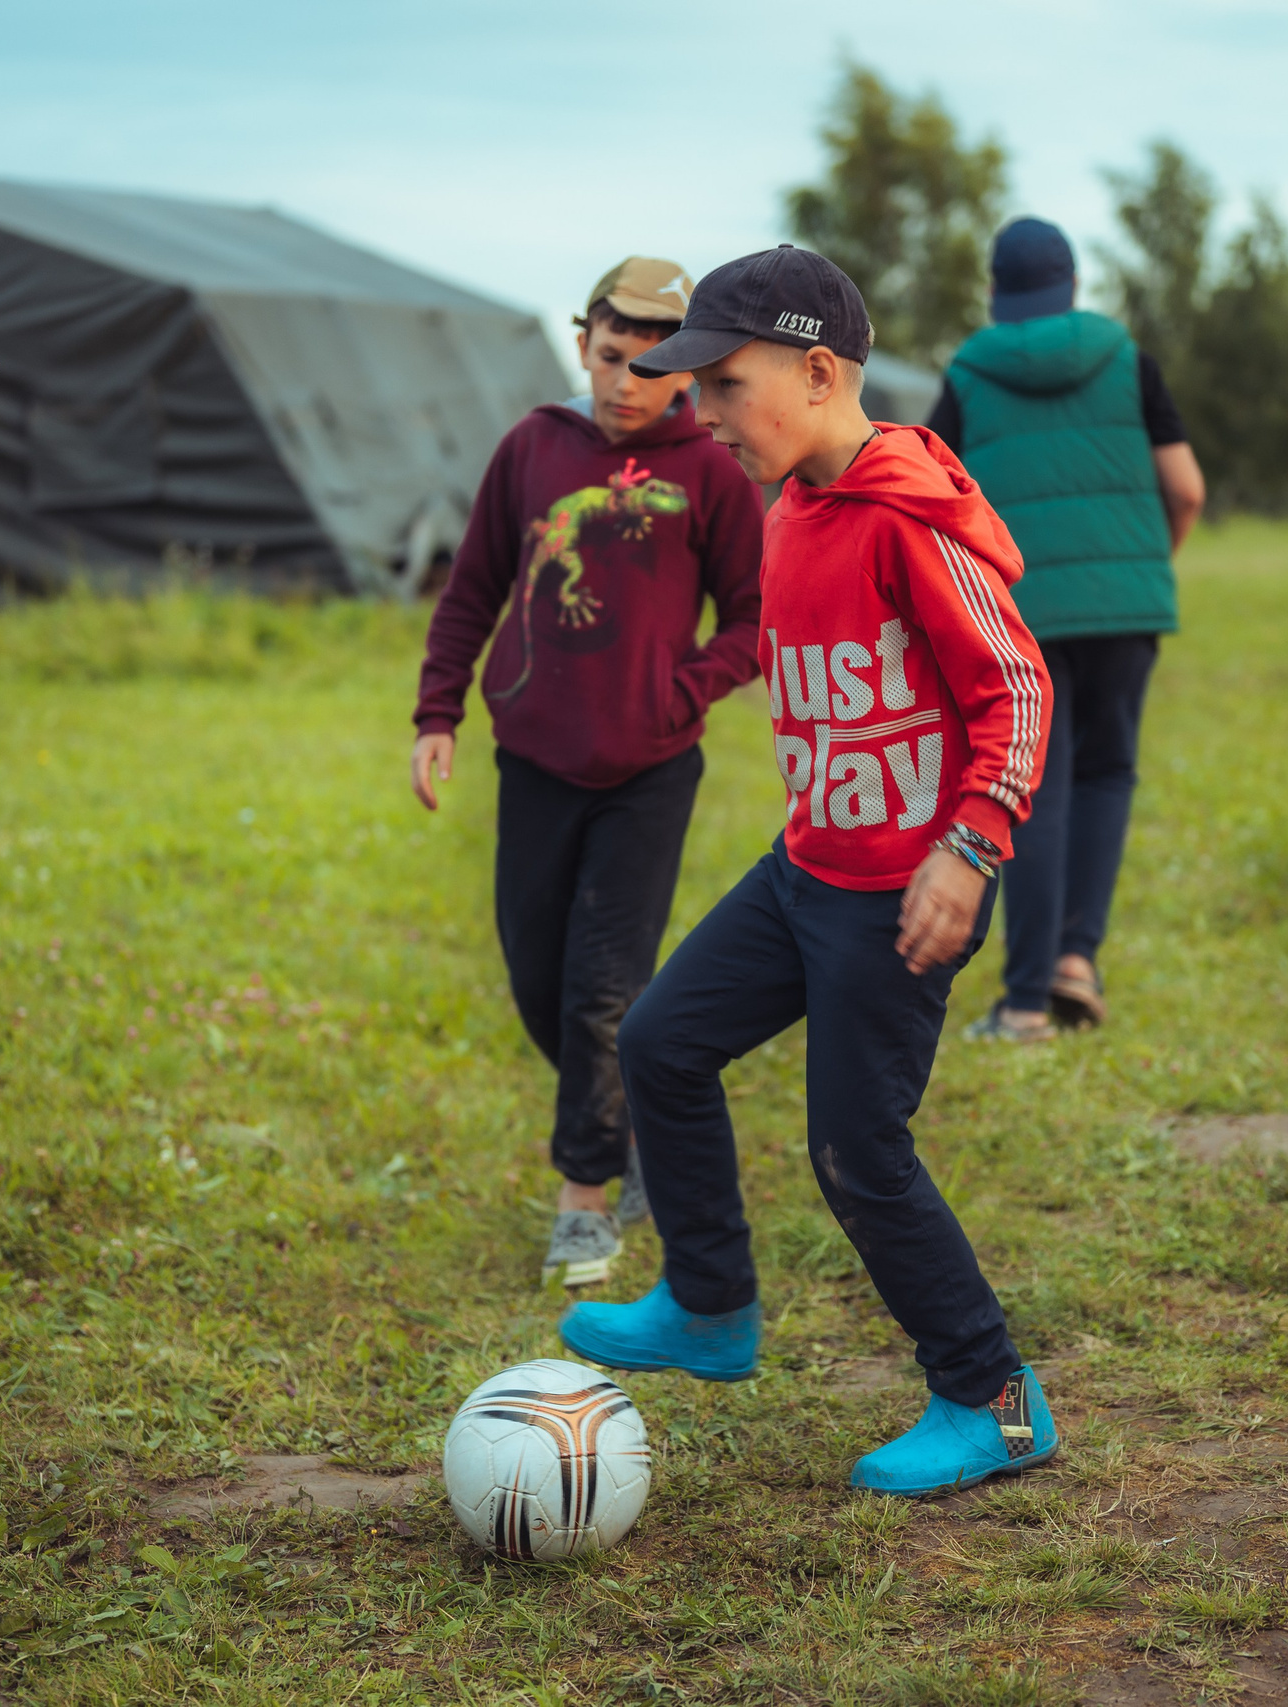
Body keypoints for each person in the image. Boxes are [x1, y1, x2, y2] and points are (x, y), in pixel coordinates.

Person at [559, 246, 1061, 1497]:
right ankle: (712, 1307)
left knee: (856, 1150)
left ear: (821, 371)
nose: (703, 412)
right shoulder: (794, 509)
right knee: (662, 1043)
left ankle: (991, 1398)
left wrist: (968, 845)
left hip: (902, 893)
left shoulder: (905, 515)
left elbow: (1015, 685)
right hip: (805, 871)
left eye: (725, 386)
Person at [412, 258, 765, 1288]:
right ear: (584, 343)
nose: (627, 384)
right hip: (533, 759)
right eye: (611, 357)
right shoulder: (532, 446)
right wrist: (438, 714)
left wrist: (683, 689)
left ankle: (584, 1199)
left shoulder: (710, 467)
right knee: (537, 979)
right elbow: (471, 590)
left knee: (602, 991)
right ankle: (652, 1124)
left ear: (686, 368)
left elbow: (754, 614)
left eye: (653, 367)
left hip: (650, 770)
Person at [929, 217, 1205, 1041]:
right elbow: (1185, 487)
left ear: (994, 291)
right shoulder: (1127, 358)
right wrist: (1144, 564)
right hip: (1128, 603)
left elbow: (934, 494)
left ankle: (1021, 1004)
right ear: (1073, 284)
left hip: (1020, 612)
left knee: (1031, 788)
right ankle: (1076, 961)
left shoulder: (970, 371)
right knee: (1108, 772)